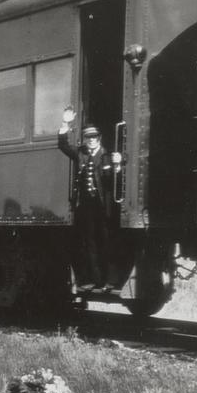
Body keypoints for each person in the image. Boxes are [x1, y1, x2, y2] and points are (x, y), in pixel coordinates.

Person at [57, 107, 120, 292]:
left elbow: (110, 183)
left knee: (106, 243)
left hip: (103, 207)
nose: (91, 141)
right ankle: (95, 281)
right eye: (88, 138)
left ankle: (110, 281)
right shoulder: (81, 154)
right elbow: (63, 146)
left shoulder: (107, 156)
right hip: (85, 206)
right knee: (89, 244)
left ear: (99, 138)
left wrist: (116, 167)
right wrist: (66, 123)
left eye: (94, 138)